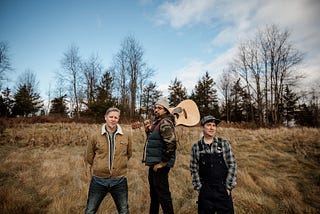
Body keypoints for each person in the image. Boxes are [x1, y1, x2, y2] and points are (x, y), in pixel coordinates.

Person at [84, 107, 132, 214]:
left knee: (124, 210)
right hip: (98, 180)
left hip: (119, 180)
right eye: (111, 117)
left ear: (118, 119)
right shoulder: (95, 135)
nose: (113, 119)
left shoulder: (127, 135)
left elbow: (129, 154)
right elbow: (89, 156)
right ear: (105, 117)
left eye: (116, 117)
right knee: (90, 210)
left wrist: (119, 165)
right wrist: (100, 166)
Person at [190, 115, 237, 214]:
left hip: (222, 190)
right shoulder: (196, 147)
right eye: (208, 125)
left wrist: (228, 187)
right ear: (202, 127)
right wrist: (199, 188)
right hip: (205, 191)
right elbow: (194, 169)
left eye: (214, 125)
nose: (212, 128)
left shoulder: (223, 144)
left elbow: (232, 165)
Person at [143, 97, 177, 214]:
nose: (156, 110)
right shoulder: (157, 122)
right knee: (154, 195)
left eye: (159, 108)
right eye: (155, 107)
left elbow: (171, 144)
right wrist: (148, 130)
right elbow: (154, 142)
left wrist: (162, 163)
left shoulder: (165, 123)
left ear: (166, 111)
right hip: (154, 164)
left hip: (159, 165)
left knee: (163, 196)